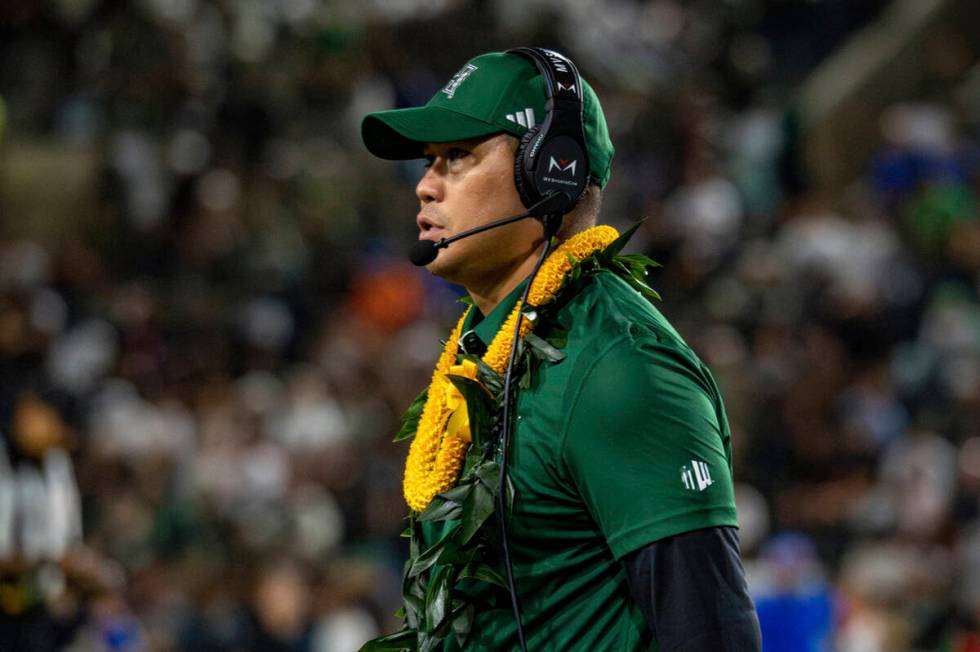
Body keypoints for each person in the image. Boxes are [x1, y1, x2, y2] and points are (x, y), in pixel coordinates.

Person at [361, 48, 762, 651]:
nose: (424, 186)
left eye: (459, 156)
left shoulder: (618, 365)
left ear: (551, 170)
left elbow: (712, 635)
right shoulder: (486, 346)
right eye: (428, 162)